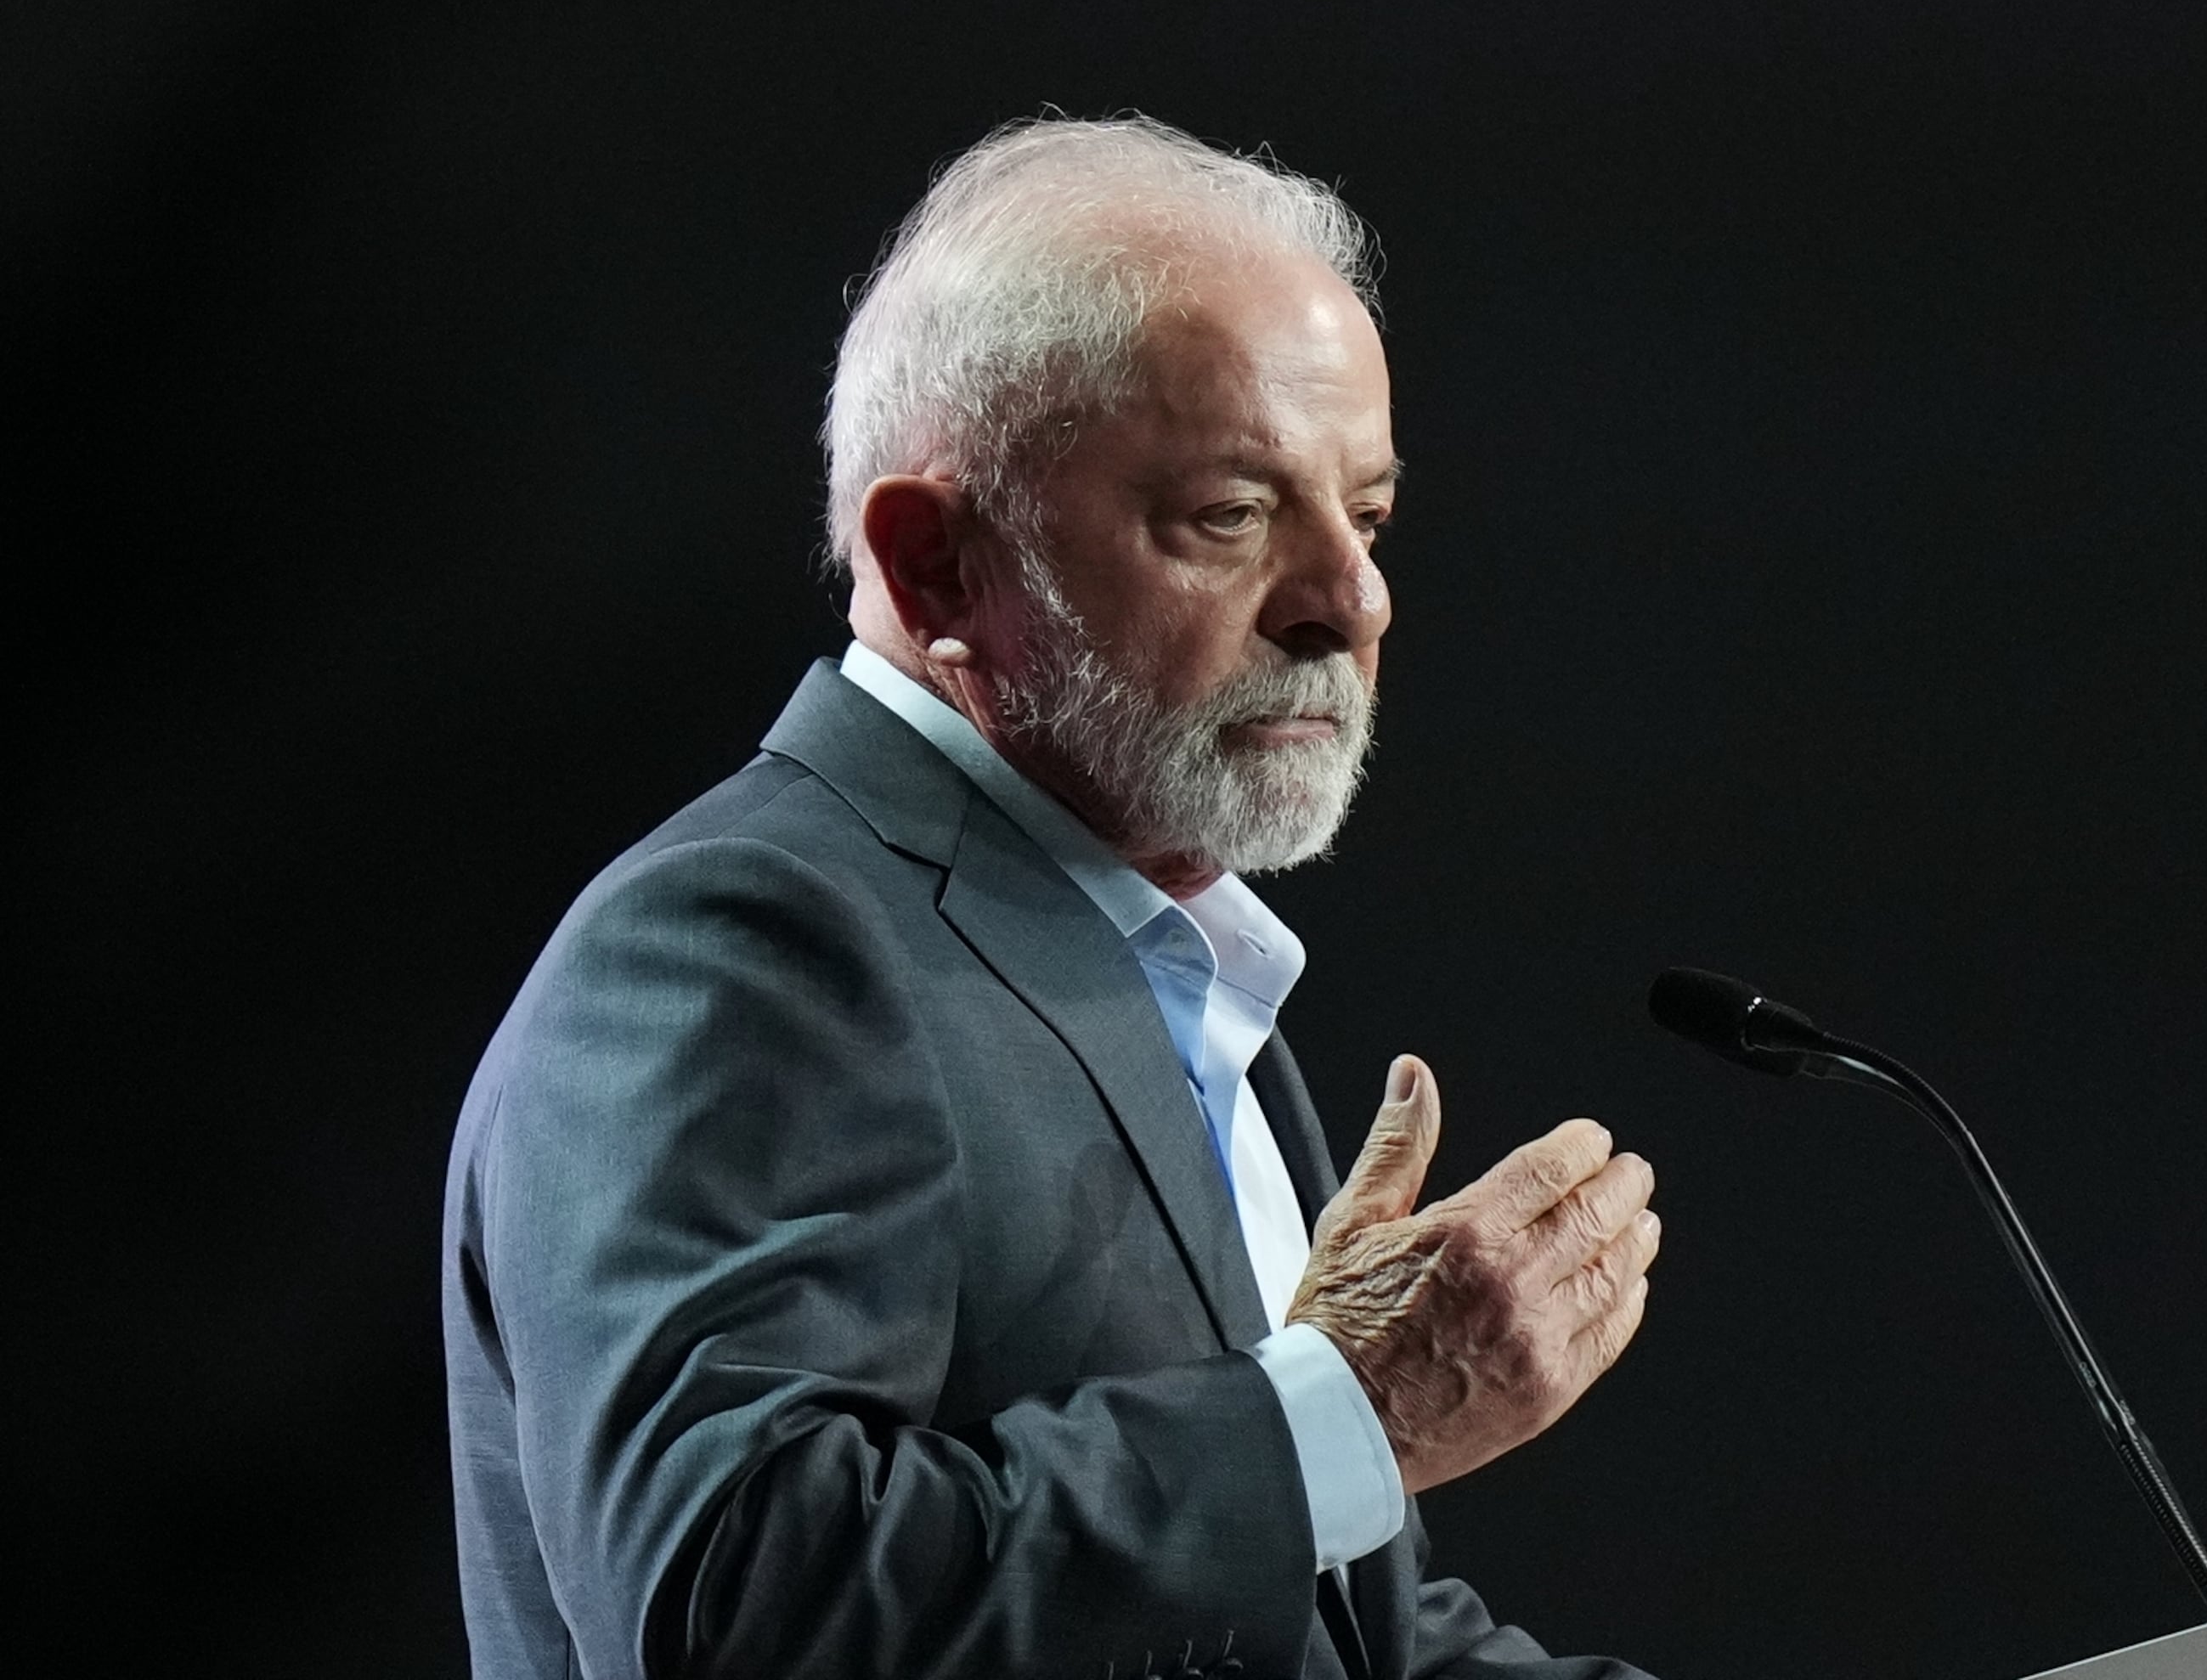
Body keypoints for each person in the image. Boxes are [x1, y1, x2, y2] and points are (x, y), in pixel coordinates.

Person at [443, 116, 1662, 1680]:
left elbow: (1328, 1641)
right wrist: (1344, 1415)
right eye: (1231, 513)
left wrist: (1333, 1440)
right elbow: (733, 1601)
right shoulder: (746, 941)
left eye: (1366, 517)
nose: (1352, 601)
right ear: (939, 565)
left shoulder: (1156, 966)